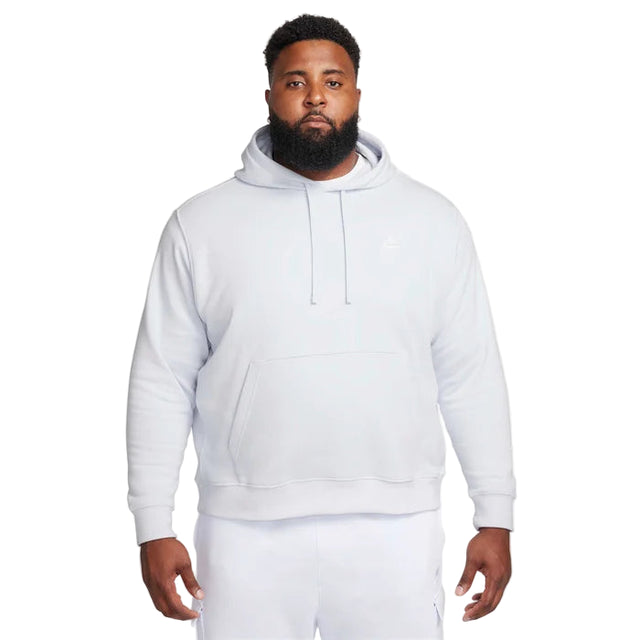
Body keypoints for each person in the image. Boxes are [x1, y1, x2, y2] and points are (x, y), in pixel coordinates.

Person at [126, 13, 516, 639]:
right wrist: (153, 523)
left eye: (332, 82)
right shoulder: (199, 224)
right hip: (242, 532)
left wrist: (494, 512)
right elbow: (161, 380)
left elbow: (470, 373)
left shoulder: (431, 220)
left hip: (397, 528)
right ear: (269, 95)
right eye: (295, 81)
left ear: (356, 94)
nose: (315, 97)